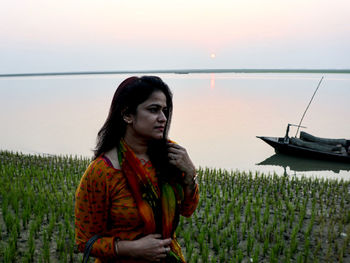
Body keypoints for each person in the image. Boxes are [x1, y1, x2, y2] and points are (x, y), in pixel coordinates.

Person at [75, 76, 199, 263]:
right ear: (127, 115)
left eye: (165, 111)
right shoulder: (102, 172)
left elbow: (187, 210)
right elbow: (85, 242)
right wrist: (131, 249)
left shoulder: (172, 156)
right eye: (153, 110)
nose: (163, 118)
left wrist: (190, 175)